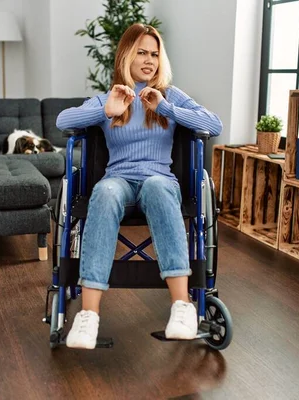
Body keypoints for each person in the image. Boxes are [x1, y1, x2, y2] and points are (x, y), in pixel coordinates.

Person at [56, 23, 222, 349]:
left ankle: (182, 307)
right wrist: (107, 109)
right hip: (117, 179)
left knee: (159, 190)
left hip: (159, 179)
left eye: (155, 54)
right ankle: (88, 317)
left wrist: (165, 107)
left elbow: (214, 124)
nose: (149, 60)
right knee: (103, 192)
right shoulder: (111, 97)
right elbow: (63, 121)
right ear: (126, 56)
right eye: (142, 52)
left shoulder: (170, 96)